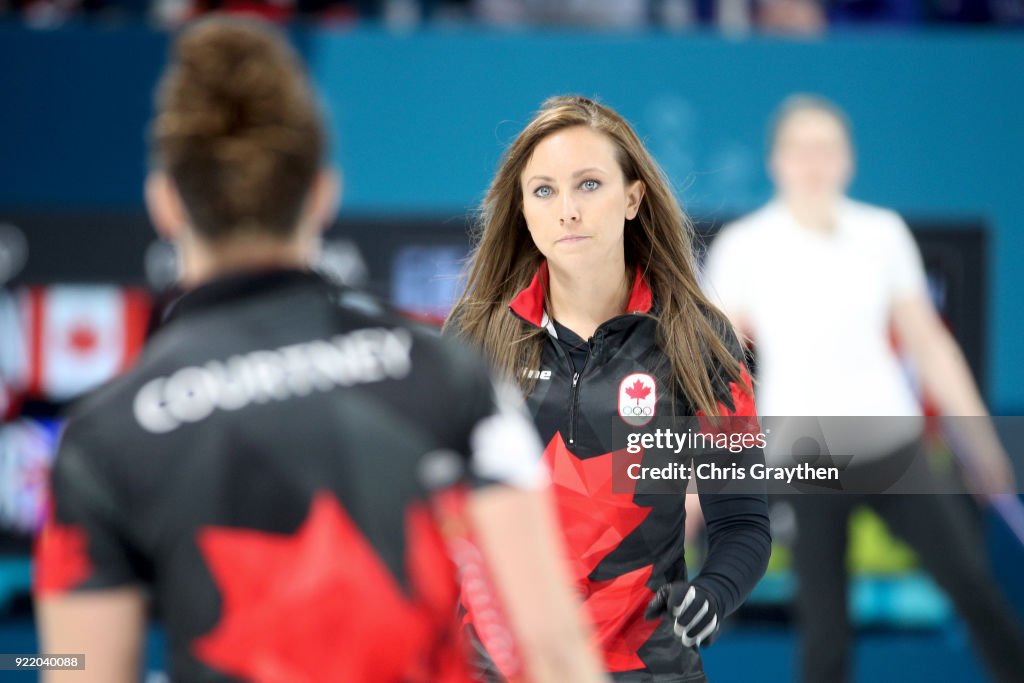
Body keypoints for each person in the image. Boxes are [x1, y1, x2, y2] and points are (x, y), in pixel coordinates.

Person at [32, 18, 610, 683]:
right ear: (322, 193)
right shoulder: (450, 378)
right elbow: (558, 653)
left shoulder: (103, 439)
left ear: (164, 204)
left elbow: (73, 668)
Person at [445, 95, 772, 682]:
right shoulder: (475, 334)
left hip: (649, 669)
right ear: (522, 209)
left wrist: (715, 593)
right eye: (543, 190)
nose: (566, 209)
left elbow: (742, 523)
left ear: (632, 196)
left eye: (588, 184)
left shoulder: (698, 339)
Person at [702, 94, 1024, 683]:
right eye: (800, 148)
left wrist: (980, 444)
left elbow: (929, 344)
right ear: (776, 161)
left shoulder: (883, 233)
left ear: (848, 160)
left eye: (827, 148)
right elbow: (713, 371)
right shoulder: (743, 248)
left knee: (973, 585)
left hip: (894, 450)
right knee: (824, 629)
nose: (813, 161)